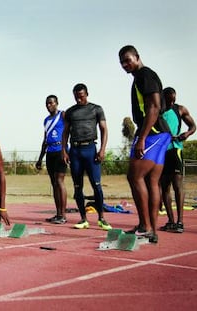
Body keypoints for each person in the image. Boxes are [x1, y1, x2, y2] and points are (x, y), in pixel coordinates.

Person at [118, 45, 171, 243]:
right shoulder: (141, 77)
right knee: (152, 181)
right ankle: (151, 230)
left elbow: (154, 107)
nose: (125, 65)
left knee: (134, 176)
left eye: (127, 60)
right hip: (160, 133)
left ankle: (145, 226)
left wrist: (142, 137)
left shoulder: (144, 75)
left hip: (152, 132)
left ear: (137, 57)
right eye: (122, 62)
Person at [62, 83, 112, 231]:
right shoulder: (70, 112)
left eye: (81, 96)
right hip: (75, 151)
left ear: (87, 94)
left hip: (90, 149)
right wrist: (64, 151)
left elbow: (104, 129)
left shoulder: (96, 109)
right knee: (78, 187)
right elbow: (65, 132)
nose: (78, 99)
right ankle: (83, 219)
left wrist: (102, 150)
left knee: (96, 185)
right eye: (76, 96)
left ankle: (102, 218)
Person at [159, 87, 196, 233]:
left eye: (173, 99)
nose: (171, 102)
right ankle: (171, 221)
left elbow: (193, 126)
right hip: (161, 151)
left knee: (177, 183)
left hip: (175, 149)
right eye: (168, 100)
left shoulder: (180, 109)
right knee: (164, 186)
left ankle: (180, 222)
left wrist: (186, 134)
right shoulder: (158, 112)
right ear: (163, 98)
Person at [36, 95, 68, 224]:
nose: (49, 106)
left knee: (60, 181)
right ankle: (58, 213)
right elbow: (45, 140)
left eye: (51, 103)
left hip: (61, 151)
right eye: (47, 104)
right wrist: (40, 159)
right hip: (50, 152)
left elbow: (69, 131)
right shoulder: (46, 120)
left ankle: (63, 215)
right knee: (54, 183)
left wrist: (66, 151)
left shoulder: (63, 115)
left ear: (57, 103)